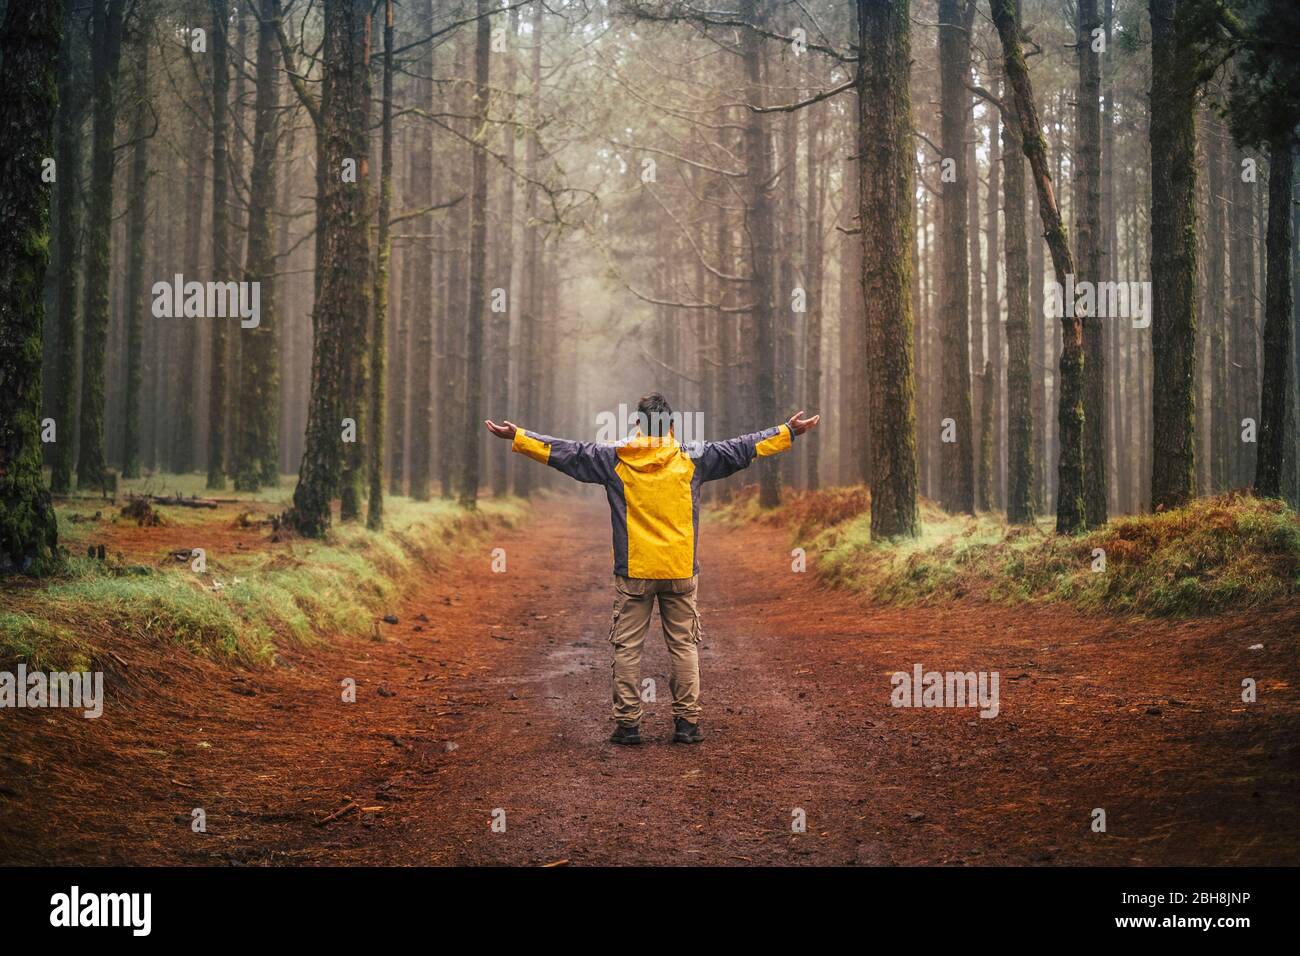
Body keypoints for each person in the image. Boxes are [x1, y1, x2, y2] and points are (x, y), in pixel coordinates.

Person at [484, 392, 820, 745]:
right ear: (672, 426)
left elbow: (568, 453)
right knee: (684, 646)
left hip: (635, 571)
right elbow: (742, 448)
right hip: (679, 570)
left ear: (636, 426)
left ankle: (628, 726)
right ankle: (686, 725)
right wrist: (788, 431)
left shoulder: (614, 457)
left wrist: (520, 437)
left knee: (628, 648)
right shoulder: (694, 457)